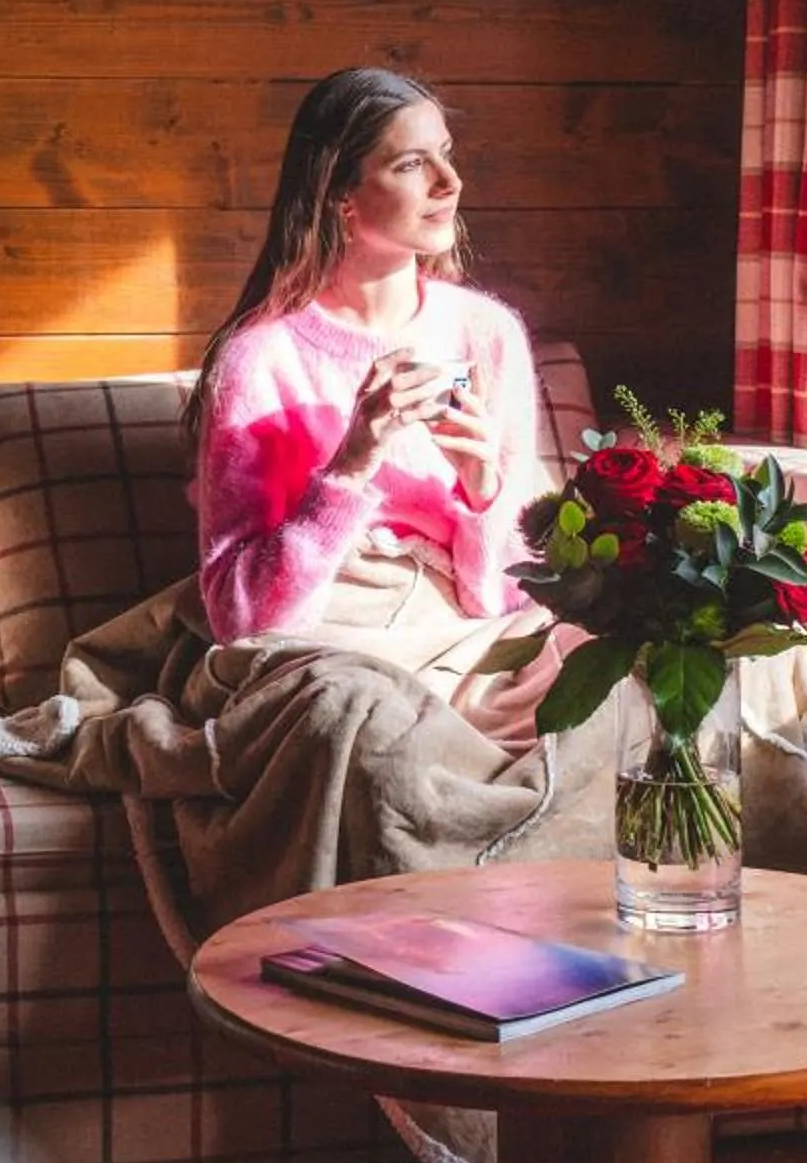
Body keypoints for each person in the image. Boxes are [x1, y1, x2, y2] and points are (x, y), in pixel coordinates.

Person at [186, 66, 563, 741]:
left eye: (446, 154)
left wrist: (483, 493)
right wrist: (351, 466)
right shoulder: (259, 359)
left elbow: (507, 596)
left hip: (473, 639)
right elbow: (241, 619)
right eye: (413, 163)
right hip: (336, 644)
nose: (450, 183)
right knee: (354, 715)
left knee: (619, 673)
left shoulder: (487, 333)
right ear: (340, 195)